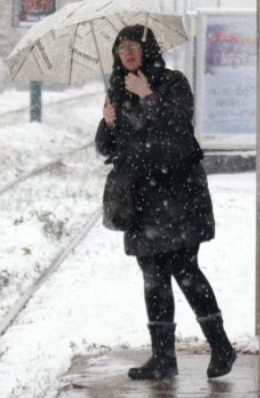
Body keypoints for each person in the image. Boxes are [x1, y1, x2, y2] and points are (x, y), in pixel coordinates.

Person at [95, 24, 236, 380]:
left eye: (133, 46)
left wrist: (147, 95)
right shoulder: (118, 88)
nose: (127, 53)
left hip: (178, 194)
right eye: (121, 47)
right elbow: (109, 151)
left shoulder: (173, 82)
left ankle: (221, 346)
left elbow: (178, 128)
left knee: (185, 270)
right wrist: (107, 124)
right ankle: (163, 357)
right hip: (141, 199)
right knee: (153, 277)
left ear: (149, 49)